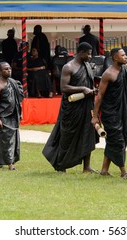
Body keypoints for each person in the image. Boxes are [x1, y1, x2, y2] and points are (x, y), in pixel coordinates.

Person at [42, 42, 98, 172]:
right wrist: (83, 89)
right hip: (72, 107)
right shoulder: (69, 67)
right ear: (81, 52)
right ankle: (61, 165)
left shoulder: (87, 66)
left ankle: (87, 167)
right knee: (67, 135)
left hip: (87, 104)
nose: (90, 57)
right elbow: (64, 88)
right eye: (88, 54)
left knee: (87, 133)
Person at [91, 48, 127, 179]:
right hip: (111, 112)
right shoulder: (108, 74)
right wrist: (95, 116)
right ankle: (123, 172)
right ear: (115, 58)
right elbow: (100, 95)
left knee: (116, 139)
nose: (126, 57)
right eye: (123, 55)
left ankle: (104, 170)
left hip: (123, 111)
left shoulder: (125, 70)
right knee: (117, 140)